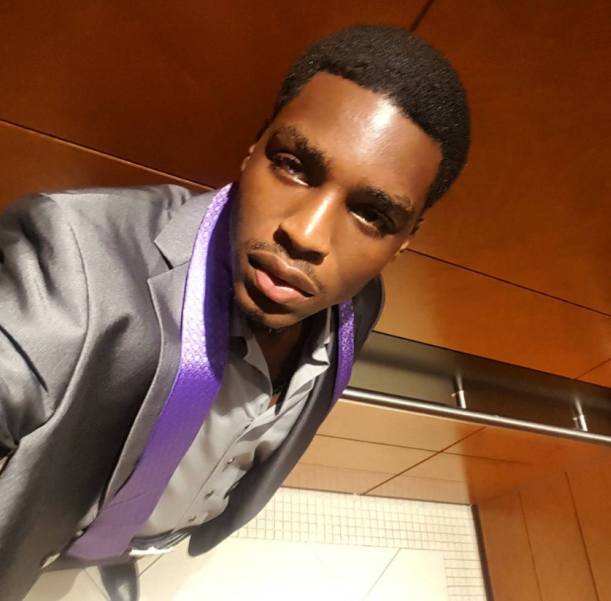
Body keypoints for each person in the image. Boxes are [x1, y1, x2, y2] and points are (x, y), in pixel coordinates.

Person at [0, 24, 470, 601]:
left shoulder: (359, 302)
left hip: (180, 537)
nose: (307, 234)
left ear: (404, 241)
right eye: (294, 165)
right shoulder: (74, 263)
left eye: (372, 215)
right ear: (253, 148)